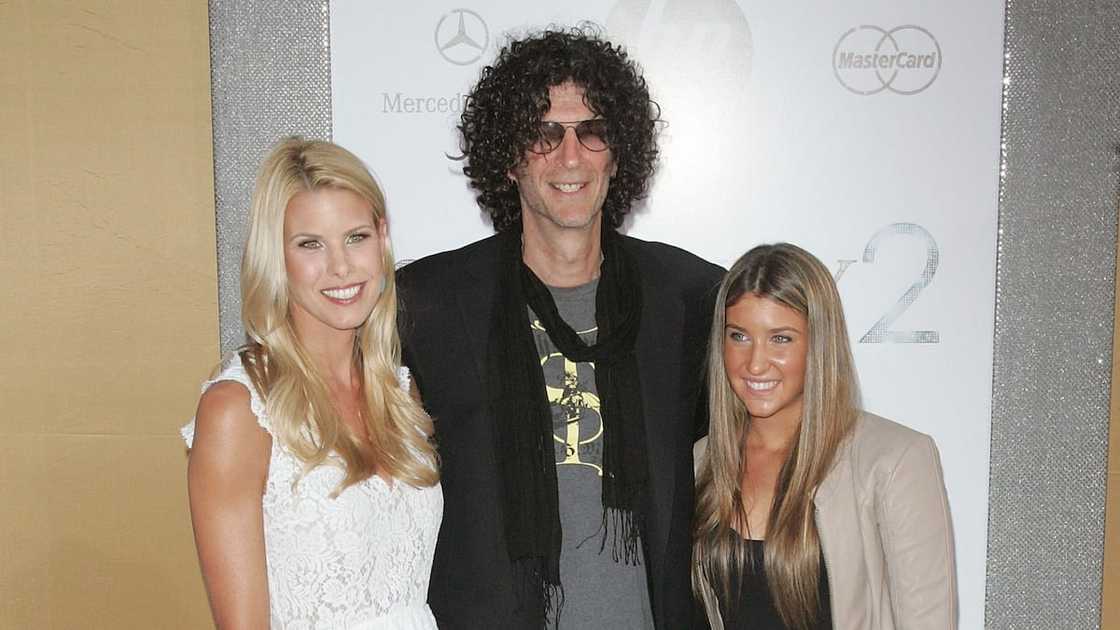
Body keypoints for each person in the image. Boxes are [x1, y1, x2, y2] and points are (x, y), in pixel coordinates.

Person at [396, 26, 724, 629]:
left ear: (618, 152)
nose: (570, 157)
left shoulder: (691, 297)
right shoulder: (427, 304)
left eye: (592, 130)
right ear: (507, 159)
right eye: (543, 134)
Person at [182, 138, 442, 629]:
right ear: (275, 257)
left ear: (382, 239)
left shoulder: (399, 392)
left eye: (356, 237)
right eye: (311, 245)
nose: (341, 267)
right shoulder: (238, 409)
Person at [692, 243, 957, 630]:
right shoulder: (702, 460)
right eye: (739, 336)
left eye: (780, 338)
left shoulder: (894, 460)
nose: (755, 363)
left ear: (819, 342)